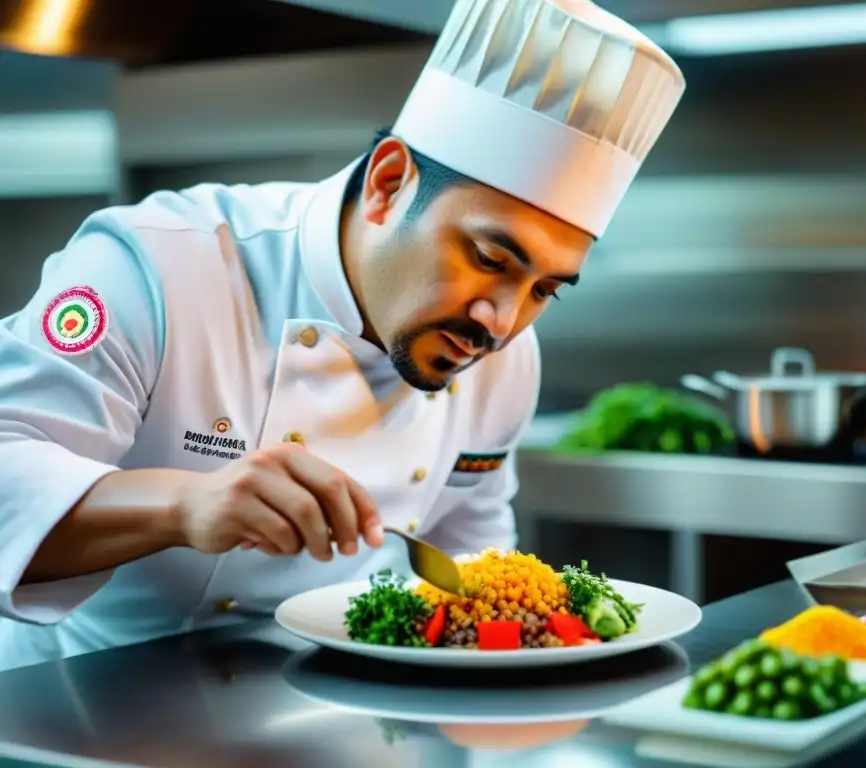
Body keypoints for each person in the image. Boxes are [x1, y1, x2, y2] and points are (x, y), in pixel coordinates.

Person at [0, 0, 685, 670]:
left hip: (343, 714)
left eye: (543, 289)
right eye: (490, 260)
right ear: (389, 184)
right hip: (82, 708)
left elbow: (470, 553)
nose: (501, 323)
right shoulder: (159, 265)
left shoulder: (505, 363)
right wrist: (186, 504)